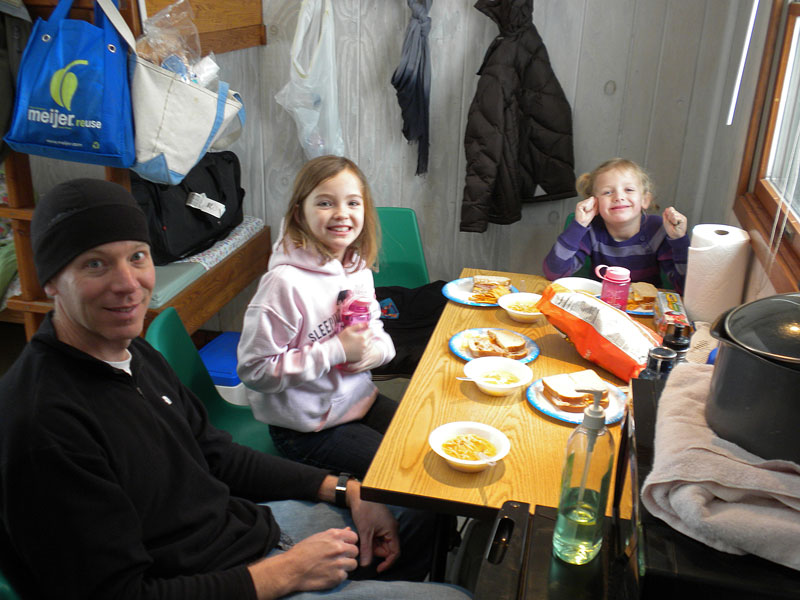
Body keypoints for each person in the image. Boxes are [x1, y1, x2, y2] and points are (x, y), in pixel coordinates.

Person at [0, 178, 470, 600]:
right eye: (96, 264)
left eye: (137, 257)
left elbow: (218, 456)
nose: (128, 284)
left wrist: (345, 489)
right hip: (222, 578)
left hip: (238, 536)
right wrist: (286, 574)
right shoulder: (45, 424)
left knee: (413, 506)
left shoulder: (132, 355)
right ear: (50, 283)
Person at [237, 156, 397, 479]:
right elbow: (254, 370)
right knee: (395, 471)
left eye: (353, 202)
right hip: (305, 430)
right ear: (299, 213)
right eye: (325, 203)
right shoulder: (284, 284)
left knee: (424, 443)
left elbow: (376, 329)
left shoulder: (357, 268)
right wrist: (335, 351)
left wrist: (372, 353)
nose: (341, 213)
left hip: (359, 402)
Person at [542, 158, 690, 293]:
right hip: (601, 306)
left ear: (645, 199)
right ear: (595, 203)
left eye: (629, 190)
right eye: (607, 192)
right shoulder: (591, 230)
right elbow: (554, 273)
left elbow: (685, 287)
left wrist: (679, 240)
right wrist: (578, 226)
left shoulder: (658, 230)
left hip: (646, 311)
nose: (619, 197)